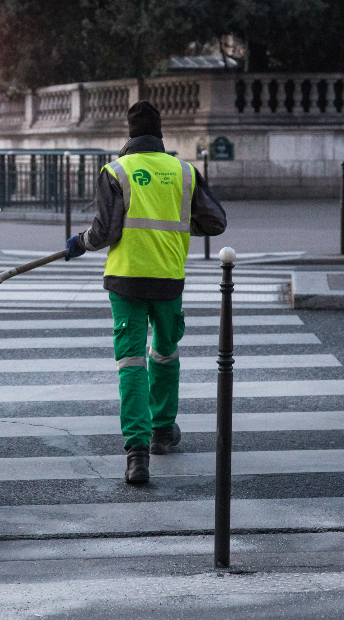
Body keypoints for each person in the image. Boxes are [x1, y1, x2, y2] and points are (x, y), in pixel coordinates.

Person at [64, 100, 226, 485]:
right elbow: (216, 222)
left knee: (131, 362)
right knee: (166, 355)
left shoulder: (116, 171)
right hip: (168, 280)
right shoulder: (184, 171)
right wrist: (180, 227)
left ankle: (137, 453)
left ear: (130, 133)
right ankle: (163, 431)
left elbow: (106, 232)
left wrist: (81, 242)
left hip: (125, 281)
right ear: (160, 134)